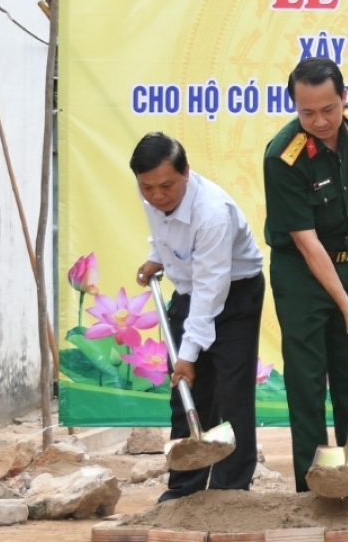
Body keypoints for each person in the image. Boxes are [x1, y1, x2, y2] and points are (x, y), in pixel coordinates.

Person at [262, 57, 348, 493]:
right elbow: (308, 244)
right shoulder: (283, 155)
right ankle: (313, 489)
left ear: (343, 98)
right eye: (307, 112)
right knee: (308, 383)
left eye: (328, 109)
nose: (320, 121)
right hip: (302, 274)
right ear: (294, 105)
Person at [130, 132, 266, 502]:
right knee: (186, 392)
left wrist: (188, 355)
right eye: (147, 187)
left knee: (231, 388)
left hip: (235, 292)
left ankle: (230, 487)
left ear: (186, 173)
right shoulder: (152, 197)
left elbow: (212, 292)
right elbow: (165, 233)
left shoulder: (212, 213)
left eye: (166, 186)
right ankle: (185, 486)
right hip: (191, 288)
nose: (157, 196)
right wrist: (159, 255)